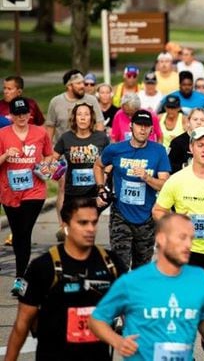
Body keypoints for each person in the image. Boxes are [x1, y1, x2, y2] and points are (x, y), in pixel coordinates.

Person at [89, 213, 204, 360]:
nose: (188, 245)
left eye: (191, 239)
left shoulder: (199, 278)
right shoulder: (134, 282)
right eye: (182, 237)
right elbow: (96, 320)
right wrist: (118, 341)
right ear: (161, 238)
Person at [5, 197, 125, 361]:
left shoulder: (111, 263)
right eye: (83, 223)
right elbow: (22, 324)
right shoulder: (43, 267)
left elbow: (132, 311)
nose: (90, 229)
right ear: (65, 226)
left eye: (94, 222)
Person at [153, 126, 204, 355]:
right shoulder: (177, 180)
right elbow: (158, 210)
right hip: (187, 254)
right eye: (200, 145)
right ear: (191, 148)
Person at [94, 109, 170, 270]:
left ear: (151, 129)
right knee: (120, 264)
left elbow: (165, 185)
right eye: (139, 125)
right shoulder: (115, 149)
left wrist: (147, 177)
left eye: (147, 126)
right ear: (131, 126)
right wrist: (101, 188)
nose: (143, 129)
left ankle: (136, 295)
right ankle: (121, 295)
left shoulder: (159, 151)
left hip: (147, 217)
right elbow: (98, 165)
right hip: (120, 214)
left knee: (141, 269)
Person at [1, 97, 54, 291]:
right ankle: (22, 273)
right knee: (18, 234)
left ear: (30, 114)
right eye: (18, 114)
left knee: (24, 231)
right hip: (9, 191)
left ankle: (20, 278)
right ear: (11, 116)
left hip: (35, 190)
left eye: (25, 113)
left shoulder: (40, 133)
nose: (22, 117)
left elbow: (49, 154)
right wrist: (6, 155)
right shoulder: (2, 134)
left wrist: (47, 165)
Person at [52, 103, 110, 209]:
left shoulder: (101, 137)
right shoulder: (66, 138)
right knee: (72, 223)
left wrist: (105, 173)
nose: (83, 118)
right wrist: (54, 168)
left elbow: (111, 160)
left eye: (86, 114)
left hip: (94, 192)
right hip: (72, 192)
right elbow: (53, 159)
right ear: (74, 118)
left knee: (88, 223)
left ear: (91, 118)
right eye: (79, 114)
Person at [167, 107, 204, 174]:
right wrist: (184, 166)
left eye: (202, 120)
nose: (199, 123)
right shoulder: (177, 142)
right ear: (188, 122)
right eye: (195, 119)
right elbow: (169, 165)